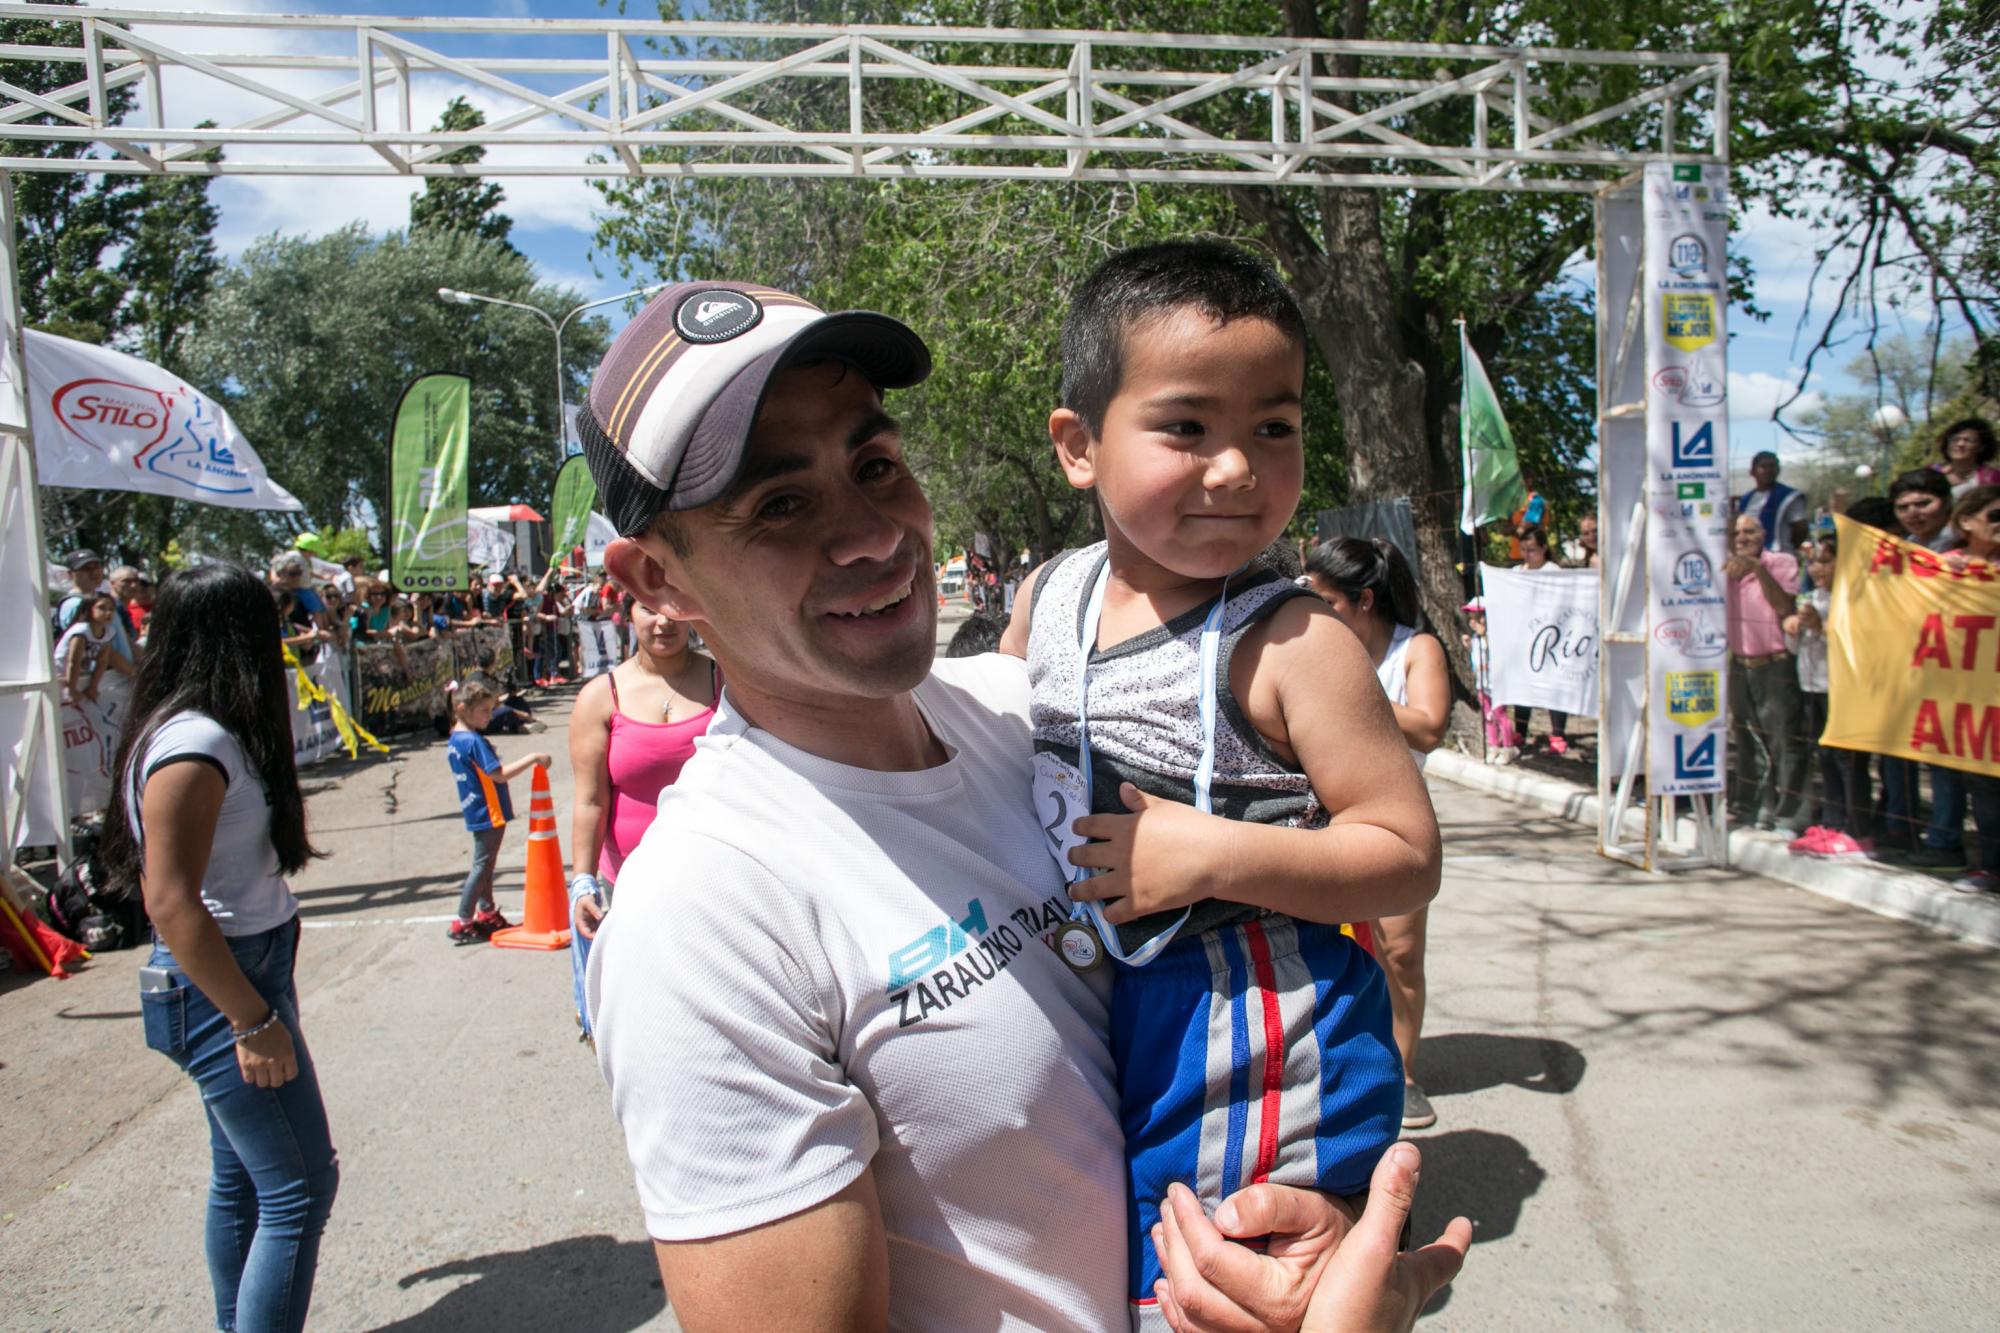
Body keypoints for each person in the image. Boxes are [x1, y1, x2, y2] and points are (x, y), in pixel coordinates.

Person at [580, 277, 1465, 1330]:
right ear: (657, 581)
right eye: (779, 504)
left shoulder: (1031, 711)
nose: (869, 534)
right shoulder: (702, 916)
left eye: (875, 465)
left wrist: (1324, 1251)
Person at [1008, 241, 1439, 1326]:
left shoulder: (1295, 641)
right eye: (1187, 427)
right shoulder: (1046, 598)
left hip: (1252, 1031)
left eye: (1274, 428)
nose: (1237, 467)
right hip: (1103, 1008)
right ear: (1078, 446)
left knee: (1212, 1291)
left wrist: (1214, 852)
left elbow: (1404, 853)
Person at [100, 563, 339, 1333]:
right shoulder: (193, 744)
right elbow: (170, 901)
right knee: (300, 1188)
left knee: (243, 1178)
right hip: (223, 984)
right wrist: (250, 1017)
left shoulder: (201, 732)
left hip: (242, 970)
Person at [1304, 537, 1451, 1132]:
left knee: (1401, 953)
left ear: (1363, 600)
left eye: (1328, 602)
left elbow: (1431, 726)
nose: (1316, 612)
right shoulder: (1315, 645)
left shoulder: (1416, 649)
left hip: (1395, 819)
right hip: (1322, 816)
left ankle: (1405, 1074)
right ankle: (1337, 1068)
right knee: (1326, 949)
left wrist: (1348, 693)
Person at [566, 598, 720, 1040]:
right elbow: (590, 800)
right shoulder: (600, 697)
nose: (663, 621)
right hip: (628, 884)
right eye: (649, 608)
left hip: (714, 878)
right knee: (646, 1009)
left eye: (675, 609)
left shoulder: (726, 682)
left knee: (709, 1003)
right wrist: (582, 880)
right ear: (626, 615)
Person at [1888, 468, 1968, 869]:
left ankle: (1950, 841)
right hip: (1916, 670)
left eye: (1923, 503)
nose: (1913, 513)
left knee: (1957, 762)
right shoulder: (1899, 552)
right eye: (1904, 507)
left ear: (1946, 503)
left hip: (1963, 672)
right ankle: (1924, 833)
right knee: (1926, 758)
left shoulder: (1968, 548)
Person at [442, 673, 547, 945]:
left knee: (486, 864)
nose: (490, 716)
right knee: (482, 866)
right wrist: (533, 758)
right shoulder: (473, 742)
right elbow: (498, 774)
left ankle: (486, 911)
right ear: (463, 709)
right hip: (489, 811)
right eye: (484, 711)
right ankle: (463, 920)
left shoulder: (456, 739)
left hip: (478, 809)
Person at [1783, 536, 1870, 858]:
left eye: (1825, 561)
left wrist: (1822, 628)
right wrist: (1793, 628)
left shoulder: (1855, 599)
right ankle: (1832, 822)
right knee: (1825, 757)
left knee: (1849, 762)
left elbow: (1857, 646)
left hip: (1842, 690)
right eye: (1813, 562)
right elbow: (1795, 648)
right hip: (1811, 686)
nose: (1817, 568)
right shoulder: (1812, 597)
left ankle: (1857, 829)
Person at [1725, 512, 1808, 835]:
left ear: (1762, 534)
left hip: (1775, 663)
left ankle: (1790, 813)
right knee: (1746, 739)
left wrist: (1758, 569)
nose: (1742, 538)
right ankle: (1755, 805)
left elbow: (1785, 607)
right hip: (1740, 664)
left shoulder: (1782, 562)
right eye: (1736, 533)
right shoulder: (1726, 567)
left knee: (1784, 741)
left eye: (1749, 532)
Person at [1944, 484, 2000, 895]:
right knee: (1983, 784)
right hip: (1969, 695)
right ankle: (1991, 866)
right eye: (1994, 516)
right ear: (1966, 521)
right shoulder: (1941, 567)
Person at [1510, 523, 1571, 755]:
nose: (1527, 554)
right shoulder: (1516, 572)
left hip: (1551, 638)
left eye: (1532, 550)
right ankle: (1520, 732)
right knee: (1523, 685)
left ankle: (1558, 734)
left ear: (1544, 548)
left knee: (1555, 684)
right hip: (1523, 639)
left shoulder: (1554, 572)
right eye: (1524, 549)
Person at [57, 590, 136, 705]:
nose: (108, 613)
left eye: (111, 609)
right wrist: (71, 690)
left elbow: (102, 660)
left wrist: (93, 687)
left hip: (80, 676)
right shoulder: (81, 631)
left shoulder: (108, 632)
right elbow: (73, 662)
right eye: (102, 608)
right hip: (62, 675)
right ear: (90, 609)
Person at [1735, 450, 1808, 555]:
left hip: (1779, 555)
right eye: (1763, 467)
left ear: (1778, 470)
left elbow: (1801, 529)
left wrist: (1787, 548)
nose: (1769, 470)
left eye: (1772, 466)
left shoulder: (1789, 497)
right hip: (1752, 557)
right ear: (1752, 472)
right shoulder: (1745, 499)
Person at [1930, 417, 2000, 500]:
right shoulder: (1931, 472)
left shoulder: (1992, 477)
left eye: (1969, 440)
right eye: (1955, 439)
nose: (1960, 444)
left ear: (1982, 447)